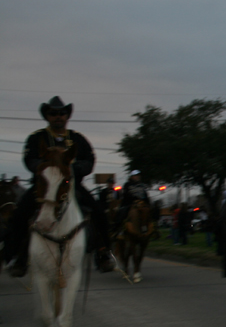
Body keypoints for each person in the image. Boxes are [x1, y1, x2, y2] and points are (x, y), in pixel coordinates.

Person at [3, 96, 115, 276]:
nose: (58, 116)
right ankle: (16, 256)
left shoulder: (77, 139)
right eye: (53, 113)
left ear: (67, 116)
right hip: (44, 186)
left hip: (72, 185)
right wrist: (44, 168)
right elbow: (29, 159)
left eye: (62, 113)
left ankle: (103, 253)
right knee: (20, 214)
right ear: (47, 116)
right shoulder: (37, 138)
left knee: (98, 212)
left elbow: (90, 159)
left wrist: (76, 169)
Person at [113, 170, 150, 234]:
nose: (137, 177)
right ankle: (119, 228)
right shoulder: (127, 185)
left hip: (142, 202)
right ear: (132, 177)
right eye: (136, 175)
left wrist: (147, 202)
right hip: (130, 203)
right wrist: (134, 199)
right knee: (122, 212)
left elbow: (145, 195)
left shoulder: (142, 185)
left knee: (149, 210)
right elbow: (126, 195)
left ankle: (150, 227)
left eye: (138, 175)